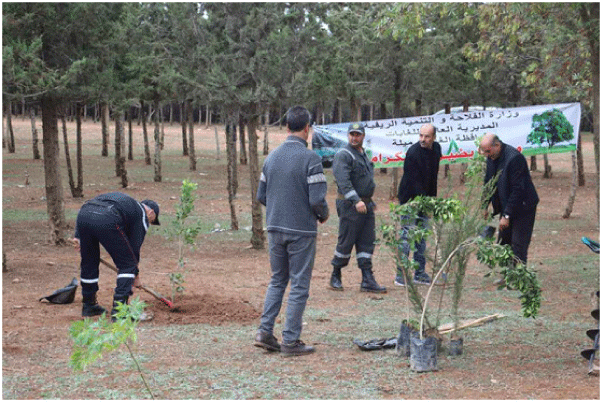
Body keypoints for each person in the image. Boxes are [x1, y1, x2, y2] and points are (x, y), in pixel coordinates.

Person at [254, 105, 329, 357]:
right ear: (307, 128)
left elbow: (261, 195)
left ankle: (265, 331)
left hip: (274, 228)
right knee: (298, 284)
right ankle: (290, 340)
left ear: (286, 127)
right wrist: (323, 215)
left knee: (277, 280)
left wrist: (279, 210)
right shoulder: (311, 159)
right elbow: (317, 199)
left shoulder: (271, 157)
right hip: (301, 231)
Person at [72, 192, 160, 320]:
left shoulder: (126, 204)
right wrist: (135, 275)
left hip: (84, 214)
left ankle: (89, 305)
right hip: (107, 216)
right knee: (128, 265)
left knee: (89, 261)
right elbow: (133, 251)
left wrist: (78, 235)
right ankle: (120, 312)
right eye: (153, 221)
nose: (150, 223)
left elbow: (90, 207)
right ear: (151, 213)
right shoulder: (141, 215)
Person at [329, 122, 386, 293]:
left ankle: (367, 279)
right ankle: (336, 274)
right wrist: (356, 200)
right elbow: (343, 181)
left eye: (358, 134)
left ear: (363, 136)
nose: (354, 137)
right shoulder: (344, 154)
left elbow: (365, 180)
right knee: (347, 240)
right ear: (348, 135)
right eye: (352, 134)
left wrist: (368, 201)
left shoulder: (362, 154)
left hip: (366, 205)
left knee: (367, 241)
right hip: (350, 205)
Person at [479, 133, 539, 271]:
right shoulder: (492, 157)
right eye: (484, 152)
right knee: (504, 241)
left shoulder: (514, 159)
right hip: (508, 205)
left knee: (518, 244)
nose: (487, 155)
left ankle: (519, 278)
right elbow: (489, 181)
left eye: (488, 151)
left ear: (497, 145)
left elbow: (518, 190)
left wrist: (507, 216)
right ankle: (507, 274)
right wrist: (484, 205)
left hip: (523, 206)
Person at [395, 123, 442, 286]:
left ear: (434, 137)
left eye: (427, 136)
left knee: (422, 237)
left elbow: (433, 177)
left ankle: (419, 273)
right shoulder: (413, 153)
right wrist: (422, 201)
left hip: (425, 198)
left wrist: (432, 201)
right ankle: (400, 275)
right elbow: (414, 181)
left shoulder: (436, 149)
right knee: (407, 236)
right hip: (410, 198)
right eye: (421, 135)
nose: (423, 139)